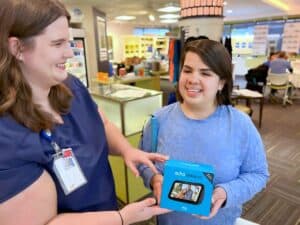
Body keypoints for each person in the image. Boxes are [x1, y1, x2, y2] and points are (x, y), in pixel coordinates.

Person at [0, 1, 169, 224]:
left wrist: (126, 149)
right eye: (58, 43)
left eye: (68, 42)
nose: (69, 53)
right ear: (18, 48)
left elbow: (102, 124)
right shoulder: (7, 136)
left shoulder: (71, 87)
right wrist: (121, 218)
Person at [138, 39, 269, 225]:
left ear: (221, 83)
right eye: (187, 70)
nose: (193, 79)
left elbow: (258, 174)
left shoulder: (241, 125)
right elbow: (143, 162)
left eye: (205, 73)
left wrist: (226, 192)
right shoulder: (158, 120)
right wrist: (154, 179)